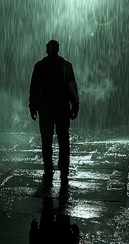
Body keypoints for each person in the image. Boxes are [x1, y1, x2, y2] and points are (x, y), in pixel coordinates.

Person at [29, 40, 79, 182]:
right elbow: (72, 88)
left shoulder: (40, 66)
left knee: (46, 140)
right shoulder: (66, 66)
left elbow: (34, 88)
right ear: (58, 49)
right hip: (62, 109)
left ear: (47, 50)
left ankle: (48, 168)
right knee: (63, 140)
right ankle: (64, 167)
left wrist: (32, 106)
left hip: (45, 109)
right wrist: (75, 106)